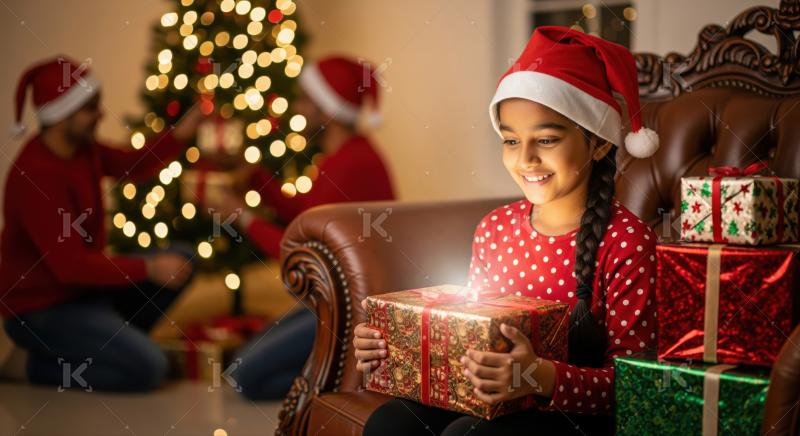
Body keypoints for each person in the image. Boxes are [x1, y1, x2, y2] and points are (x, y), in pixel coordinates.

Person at [353, 26, 661, 435]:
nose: (526, 159)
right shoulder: (495, 229)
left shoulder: (627, 243)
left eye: (547, 139)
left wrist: (540, 376)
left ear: (599, 144)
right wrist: (396, 348)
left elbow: (639, 388)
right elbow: (468, 342)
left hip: (578, 418)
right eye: (511, 141)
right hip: (496, 404)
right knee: (391, 423)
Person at [1, 56, 204, 392]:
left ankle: (111, 342)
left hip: (87, 293)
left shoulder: (84, 150)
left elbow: (131, 164)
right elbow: (70, 267)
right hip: (42, 310)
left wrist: (179, 135)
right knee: (149, 370)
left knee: (182, 258)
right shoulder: (35, 175)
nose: (101, 114)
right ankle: (31, 366)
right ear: (61, 114)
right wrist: (147, 268)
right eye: (91, 107)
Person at [208, 56, 396, 400]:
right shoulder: (342, 157)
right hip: (332, 299)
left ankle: (347, 382)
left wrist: (242, 216)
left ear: (326, 110)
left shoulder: (354, 165)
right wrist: (255, 178)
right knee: (243, 362)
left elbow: (302, 252)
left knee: (243, 376)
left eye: (304, 99)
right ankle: (337, 375)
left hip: (350, 308)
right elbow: (306, 216)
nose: (296, 107)